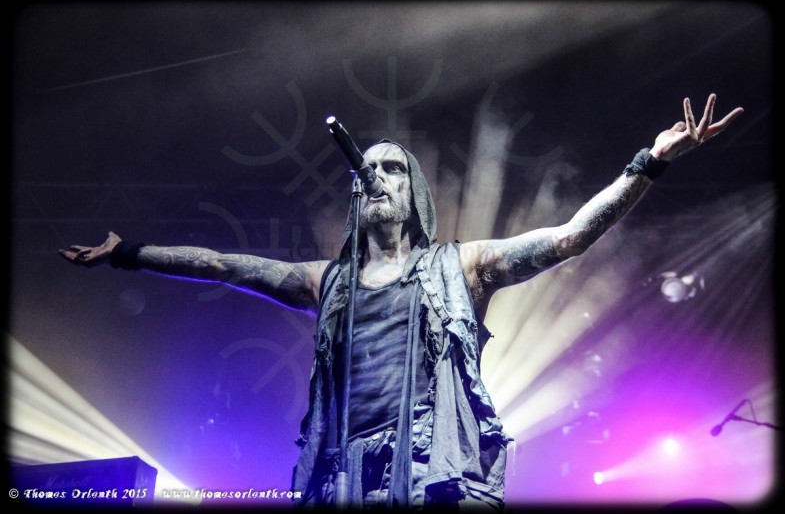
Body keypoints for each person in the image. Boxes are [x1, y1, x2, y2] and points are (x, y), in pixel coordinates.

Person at [59, 94, 743, 510]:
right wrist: (127, 252)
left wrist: (649, 163)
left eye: (392, 167)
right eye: (371, 168)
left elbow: (567, 238)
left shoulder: (463, 265)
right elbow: (222, 265)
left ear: (414, 193)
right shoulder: (326, 281)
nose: (376, 175)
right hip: (341, 472)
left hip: (432, 469)